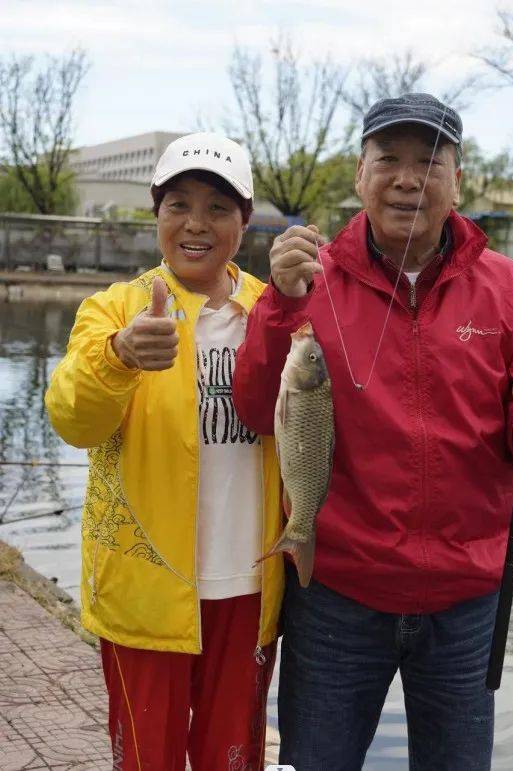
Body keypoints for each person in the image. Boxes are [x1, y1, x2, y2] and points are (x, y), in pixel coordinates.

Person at [233, 93, 513, 770]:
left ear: (457, 176)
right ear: (359, 174)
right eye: (388, 158)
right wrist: (278, 304)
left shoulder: (508, 289)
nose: (407, 178)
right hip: (336, 595)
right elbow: (250, 409)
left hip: (469, 599)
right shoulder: (309, 279)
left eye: (429, 161)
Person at [45, 132, 284, 771]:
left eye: (218, 207)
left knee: (231, 760)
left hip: (250, 586)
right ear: (156, 215)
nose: (196, 224)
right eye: (178, 204)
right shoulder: (113, 309)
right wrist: (119, 357)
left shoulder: (277, 313)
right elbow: (72, 418)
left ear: (245, 221)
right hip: (145, 593)